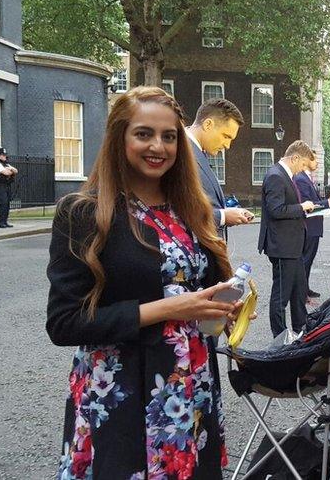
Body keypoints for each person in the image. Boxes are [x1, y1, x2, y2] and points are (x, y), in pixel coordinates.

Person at [46, 86, 244, 478]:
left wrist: (224, 309)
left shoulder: (192, 210)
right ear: (120, 137)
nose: (159, 146)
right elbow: (63, 322)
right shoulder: (84, 212)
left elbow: (203, 289)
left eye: (169, 136)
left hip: (190, 388)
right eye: (144, 134)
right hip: (121, 393)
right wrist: (170, 308)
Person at [258, 140, 316, 339]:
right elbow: (276, 210)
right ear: (295, 158)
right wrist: (302, 207)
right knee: (280, 296)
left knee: (299, 290)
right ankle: (280, 336)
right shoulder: (276, 175)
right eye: (302, 165)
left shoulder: (284, 175)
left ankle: (301, 327)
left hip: (292, 245)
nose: (302, 170)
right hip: (282, 246)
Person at [185, 98, 254, 236]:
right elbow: (179, 211)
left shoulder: (197, 152)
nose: (227, 146)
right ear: (208, 124)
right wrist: (223, 216)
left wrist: (229, 211)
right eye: (226, 136)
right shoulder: (181, 153)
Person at [293, 149, 329, 299]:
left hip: (313, 227)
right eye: (314, 159)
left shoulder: (307, 178)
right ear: (307, 160)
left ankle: (305, 289)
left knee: (308, 260)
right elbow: (309, 205)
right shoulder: (301, 179)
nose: (317, 162)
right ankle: (301, 293)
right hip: (309, 227)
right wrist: (328, 202)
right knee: (305, 261)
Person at [0, 147, 18, 228]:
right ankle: (0, 222)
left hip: (6, 186)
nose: (5, 157)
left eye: (5, 155)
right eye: (3, 155)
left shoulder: (6, 164)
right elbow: (6, 173)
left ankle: (5, 221)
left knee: (7, 204)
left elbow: (16, 171)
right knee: (3, 203)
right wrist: (10, 171)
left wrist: (10, 169)